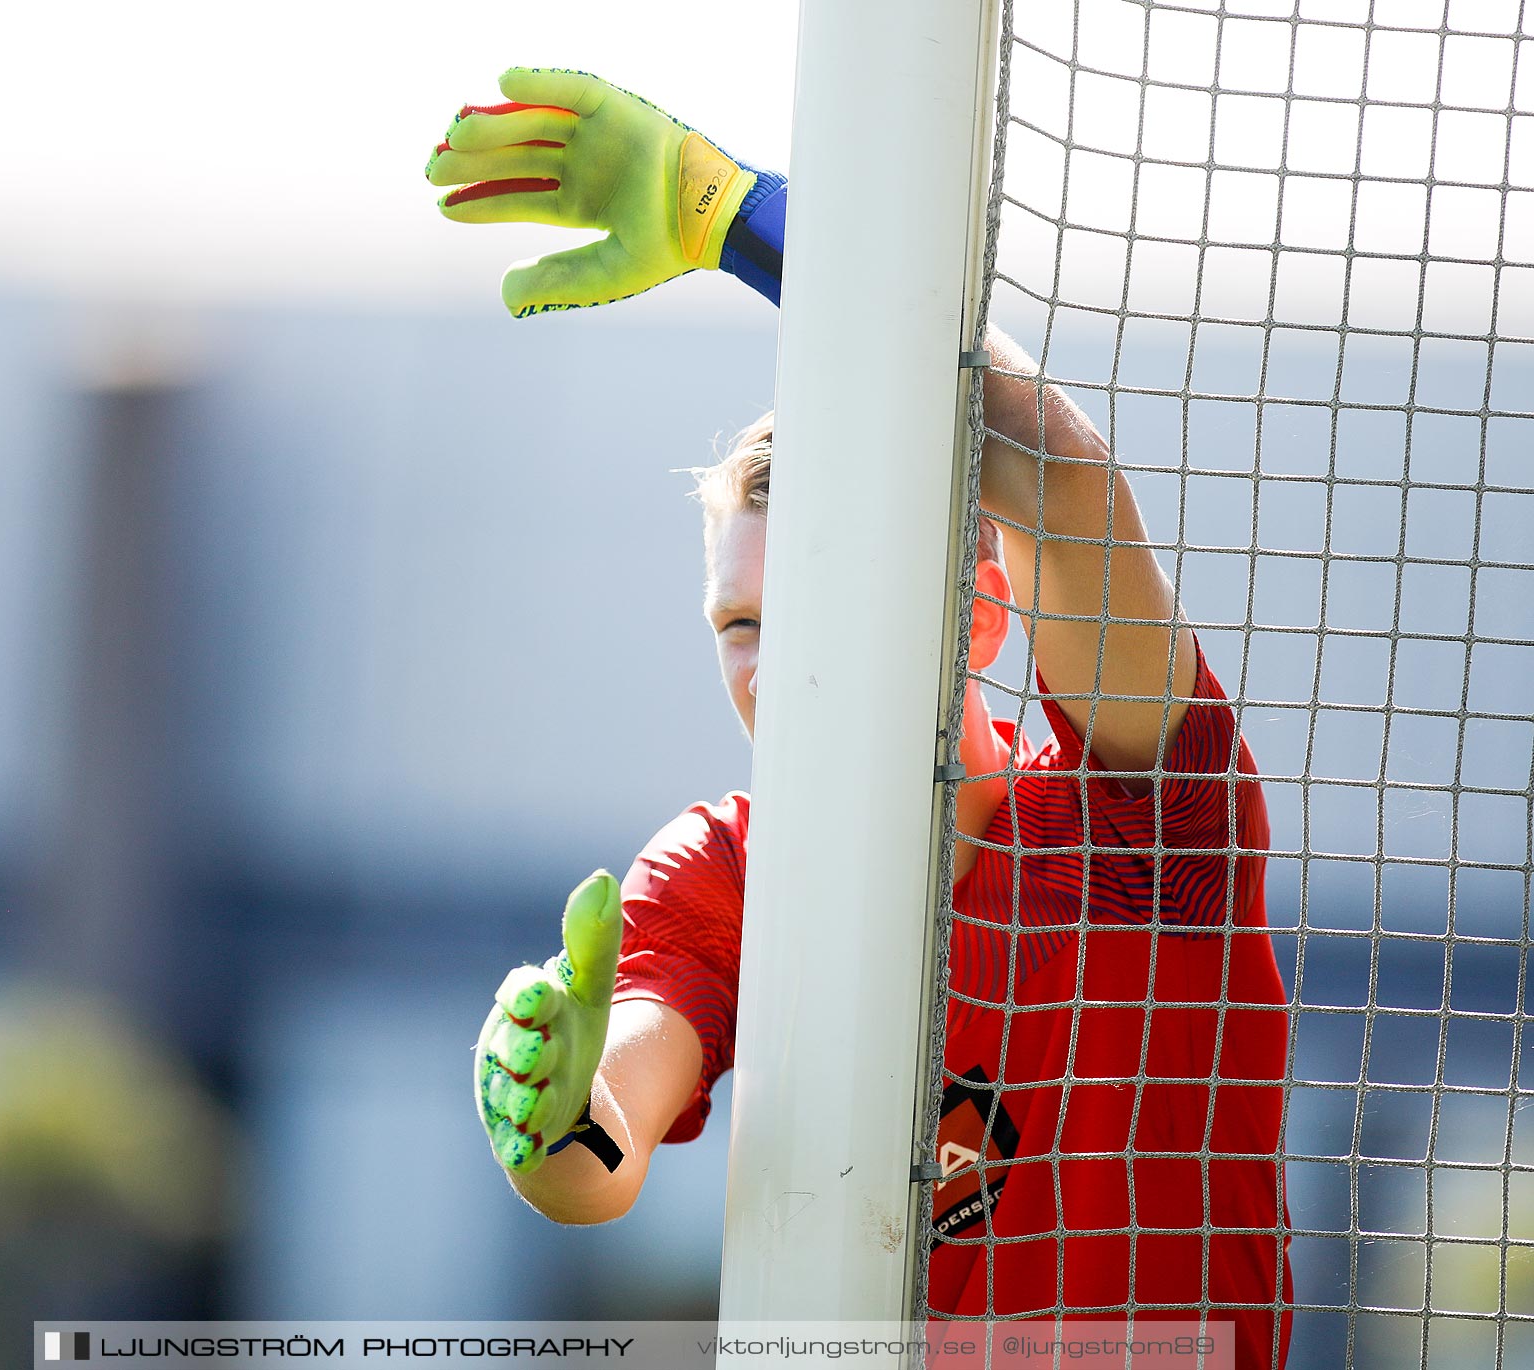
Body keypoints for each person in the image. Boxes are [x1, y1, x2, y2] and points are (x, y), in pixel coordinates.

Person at [437, 69, 1292, 1366]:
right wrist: (551, 1114)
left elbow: (1056, 475)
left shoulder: (1141, 810)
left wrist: (739, 220)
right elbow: (608, 1141)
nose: (772, 666)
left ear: (985, 620)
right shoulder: (726, 868)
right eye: (740, 624)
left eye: (822, 612)